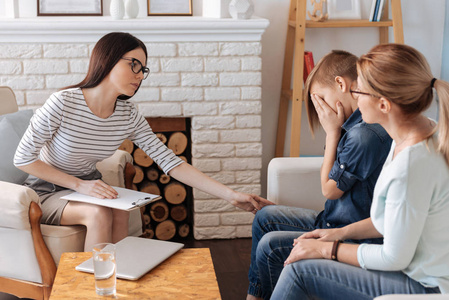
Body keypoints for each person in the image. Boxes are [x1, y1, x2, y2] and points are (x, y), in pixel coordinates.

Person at [14, 32, 273, 252]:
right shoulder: (64, 102)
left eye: (143, 69)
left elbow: (171, 162)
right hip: (47, 190)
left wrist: (231, 195)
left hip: (87, 187)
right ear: (107, 59)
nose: (139, 75)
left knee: (119, 209)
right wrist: (81, 186)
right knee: (99, 212)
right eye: (134, 64)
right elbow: (23, 158)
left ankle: (118, 287)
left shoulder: (128, 114)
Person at [263, 43, 449, 299]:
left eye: (359, 91)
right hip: (413, 270)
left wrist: (328, 250)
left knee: (299, 271)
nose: (355, 97)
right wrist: (338, 233)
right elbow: (390, 222)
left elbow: (393, 257)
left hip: (423, 283)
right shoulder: (415, 132)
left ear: (383, 105)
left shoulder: (410, 164)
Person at [247, 50, 392, 299]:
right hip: (332, 220)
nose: (321, 109)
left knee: (270, 247)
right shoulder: (354, 126)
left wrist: (331, 133)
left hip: (351, 232)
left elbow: (329, 189)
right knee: (265, 217)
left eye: (321, 98)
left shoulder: (362, 134)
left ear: (340, 83)